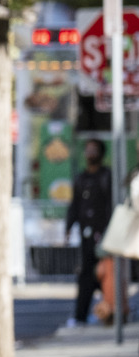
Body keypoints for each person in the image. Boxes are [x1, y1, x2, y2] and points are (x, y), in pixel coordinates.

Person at [67, 138, 112, 326]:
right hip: (86, 234)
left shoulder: (106, 176)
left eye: (94, 150)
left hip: (105, 234)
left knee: (106, 273)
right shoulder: (81, 178)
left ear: (101, 153)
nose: (90, 154)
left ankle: (110, 313)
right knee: (86, 275)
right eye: (88, 150)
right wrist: (69, 226)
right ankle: (81, 315)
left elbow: (111, 203)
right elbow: (75, 204)